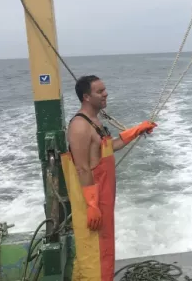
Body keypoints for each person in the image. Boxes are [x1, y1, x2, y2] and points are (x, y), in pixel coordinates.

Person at [60, 75, 157, 281]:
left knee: (102, 250)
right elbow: (82, 168)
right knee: (92, 255)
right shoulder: (79, 125)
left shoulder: (96, 121)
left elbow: (108, 147)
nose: (106, 94)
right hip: (91, 201)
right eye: (100, 91)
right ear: (86, 97)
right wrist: (92, 205)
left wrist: (137, 130)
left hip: (103, 198)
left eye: (105, 90)